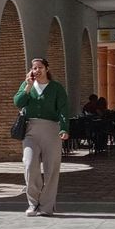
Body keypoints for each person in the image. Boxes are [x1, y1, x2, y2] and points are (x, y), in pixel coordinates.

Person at [12, 57, 70, 218]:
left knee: (51, 169)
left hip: (51, 129)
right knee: (29, 165)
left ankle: (47, 206)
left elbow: (64, 109)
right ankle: (33, 203)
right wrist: (28, 87)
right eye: (34, 68)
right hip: (31, 130)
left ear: (47, 69)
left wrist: (64, 128)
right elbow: (18, 102)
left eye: (39, 67)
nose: (36, 71)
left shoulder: (56, 88)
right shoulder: (27, 85)